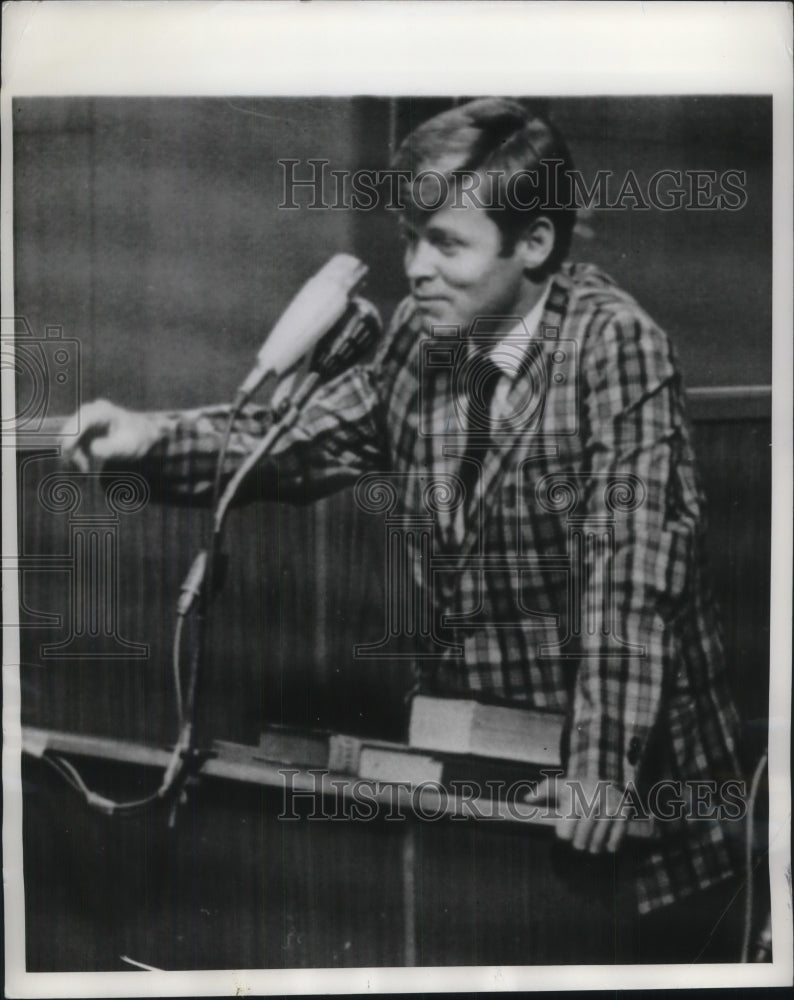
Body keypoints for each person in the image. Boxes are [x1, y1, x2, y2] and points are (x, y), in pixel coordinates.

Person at [64, 98, 744, 961]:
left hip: (637, 807)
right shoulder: (419, 347)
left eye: (447, 244)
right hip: (489, 793)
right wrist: (150, 439)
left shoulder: (616, 347)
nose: (417, 267)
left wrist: (602, 766)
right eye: (411, 238)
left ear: (533, 243)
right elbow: (293, 442)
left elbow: (630, 569)